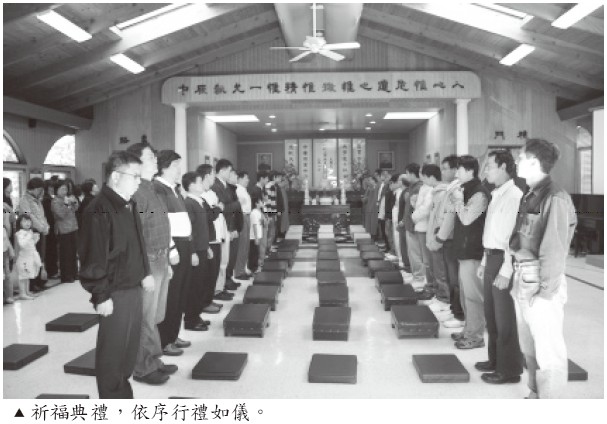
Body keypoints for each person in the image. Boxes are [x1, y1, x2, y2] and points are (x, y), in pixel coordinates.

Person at [78, 150, 151, 399]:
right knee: (112, 354)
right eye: (135, 176)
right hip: (114, 292)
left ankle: (123, 397)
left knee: (128, 352)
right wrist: (101, 295)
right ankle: (112, 402)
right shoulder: (98, 209)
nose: (139, 182)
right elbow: (93, 256)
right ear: (116, 176)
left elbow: (137, 244)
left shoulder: (129, 204)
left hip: (133, 288)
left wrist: (145, 272)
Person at [510, 139, 577, 398]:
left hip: (542, 281)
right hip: (524, 276)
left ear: (534, 162)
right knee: (529, 345)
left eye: (520, 157)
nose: (517, 161)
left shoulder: (555, 197)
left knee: (549, 352)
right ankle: (534, 393)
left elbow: (554, 249)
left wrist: (546, 292)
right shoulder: (531, 193)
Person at [126, 142, 176, 386]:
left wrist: (167, 260)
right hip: (148, 260)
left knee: (155, 316)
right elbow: (134, 236)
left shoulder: (152, 188)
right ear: (136, 163)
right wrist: (144, 269)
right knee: (146, 318)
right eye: (150, 158)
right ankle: (143, 368)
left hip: (160, 258)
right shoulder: (136, 192)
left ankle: (154, 360)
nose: (156, 160)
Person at [474, 149, 524, 385]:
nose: (486, 171)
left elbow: (513, 238)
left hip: (504, 260)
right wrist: (485, 261)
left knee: (504, 318)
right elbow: (491, 233)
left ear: (504, 167)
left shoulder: (514, 196)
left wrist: (506, 269)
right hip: (491, 257)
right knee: (491, 314)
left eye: (490, 166)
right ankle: (495, 360)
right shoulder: (497, 194)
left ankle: (509, 370)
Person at [154, 150, 193, 357]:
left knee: (181, 294)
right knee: (170, 296)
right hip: (173, 246)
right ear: (165, 167)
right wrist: (172, 249)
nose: (180, 170)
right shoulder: (158, 188)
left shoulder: (174, 189)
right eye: (176, 166)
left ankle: (174, 334)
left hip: (184, 244)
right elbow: (162, 222)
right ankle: (165, 340)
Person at [451, 155, 490, 350]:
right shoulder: (466, 189)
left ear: (469, 171)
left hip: (473, 251)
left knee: (474, 296)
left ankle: (476, 336)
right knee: (465, 294)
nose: (456, 173)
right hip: (464, 249)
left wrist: (458, 201)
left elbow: (467, 219)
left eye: (459, 169)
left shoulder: (479, 193)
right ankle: (468, 329)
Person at [183, 171, 218, 330]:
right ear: (190, 186)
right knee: (194, 286)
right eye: (198, 182)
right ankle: (191, 320)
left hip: (203, 248)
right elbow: (189, 230)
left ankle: (197, 316)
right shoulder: (189, 203)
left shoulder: (199, 202)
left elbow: (203, 229)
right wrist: (192, 252)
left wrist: (207, 246)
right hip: (195, 251)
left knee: (201, 284)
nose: (202, 184)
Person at [434, 155, 465, 329]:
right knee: (449, 276)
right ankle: (453, 309)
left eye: (446, 169)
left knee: (455, 279)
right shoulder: (450, 187)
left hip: (452, 238)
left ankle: (459, 314)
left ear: (455, 170)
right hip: (446, 237)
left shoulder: (458, 189)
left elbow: (451, 215)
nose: (443, 172)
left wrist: (441, 236)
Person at [423, 164, 453, 321]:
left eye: (424, 176)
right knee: (435, 269)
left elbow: (442, 219)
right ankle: (438, 295)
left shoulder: (443, 192)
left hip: (439, 237)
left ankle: (444, 300)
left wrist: (437, 237)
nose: (423, 180)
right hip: (433, 235)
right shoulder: (436, 192)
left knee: (441, 271)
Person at [211, 160, 242, 294]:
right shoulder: (215, 186)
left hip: (228, 225)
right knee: (221, 261)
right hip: (221, 227)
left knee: (226, 259)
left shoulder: (226, 186)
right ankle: (219, 287)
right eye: (229, 171)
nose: (231, 174)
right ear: (222, 171)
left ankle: (223, 284)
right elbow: (222, 208)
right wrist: (238, 204)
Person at [197, 164, 225, 305]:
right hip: (208, 239)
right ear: (207, 175)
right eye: (213, 174)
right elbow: (208, 216)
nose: (214, 177)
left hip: (217, 237)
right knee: (208, 273)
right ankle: (205, 302)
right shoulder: (201, 195)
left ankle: (210, 299)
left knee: (214, 271)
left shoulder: (212, 193)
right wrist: (218, 208)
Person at [17, 177, 49, 292]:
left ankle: (40, 281)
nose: (41, 192)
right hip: (31, 232)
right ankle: (32, 284)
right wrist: (41, 227)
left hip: (40, 231)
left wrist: (46, 226)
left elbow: (42, 215)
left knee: (40, 257)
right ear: (34, 188)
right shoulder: (24, 200)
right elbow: (29, 216)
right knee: (31, 258)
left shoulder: (37, 200)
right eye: (39, 189)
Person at [51, 180, 79, 284]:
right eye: (62, 189)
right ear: (56, 190)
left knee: (73, 252)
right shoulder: (55, 201)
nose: (64, 191)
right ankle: (66, 276)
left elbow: (76, 209)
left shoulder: (67, 198)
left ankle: (74, 273)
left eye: (66, 189)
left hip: (73, 227)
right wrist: (66, 204)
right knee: (66, 254)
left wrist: (74, 202)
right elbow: (61, 215)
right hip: (63, 230)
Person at [402, 164, 424, 289]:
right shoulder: (412, 187)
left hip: (414, 225)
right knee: (411, 252)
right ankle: (415, 275)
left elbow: (416, 208)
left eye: (407, 173)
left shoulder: (419, 187)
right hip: (409, 223)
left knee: (416, 253)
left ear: (411, 173)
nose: (406, 176)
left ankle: (419, 277)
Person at [14, 214, 42, 300]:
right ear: (20, 223)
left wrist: (36, 238)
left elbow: (31, 244)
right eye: (24, 221)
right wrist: (29, 236)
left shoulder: (29, 232)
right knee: (23, 276)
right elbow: (22, 244)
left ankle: (27, 291)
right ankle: (22, 293)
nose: (27, 223)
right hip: (23, 258)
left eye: (29, 221)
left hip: (30, 257)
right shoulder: (19, 233)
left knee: (28, 275)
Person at [225, 169, 243, 287]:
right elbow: (228, 211)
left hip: (236, 226)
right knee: (229, 256)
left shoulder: (232, 189)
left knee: (233, 255)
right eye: (234, 175)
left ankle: (229, 278)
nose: (236, 177)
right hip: (231, 228)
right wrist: (232, 229)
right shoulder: (226, 189)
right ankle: (227, 280)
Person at [233, 171, 252, 280]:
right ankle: (239, 272)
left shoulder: (243, 189)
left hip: (247, 216)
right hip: (242, 217)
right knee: (242, 245)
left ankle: (243, 269)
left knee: (246, 245)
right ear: (239, 179)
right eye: (246, 178)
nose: (247, 180)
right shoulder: (237, 189)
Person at [249, 171, 269, 270]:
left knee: (263, 241)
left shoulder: (262, 189)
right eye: (266, 178)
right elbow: (257, 206)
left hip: (262, 215)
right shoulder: (255, 190)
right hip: (259, 217)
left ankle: (261, 259)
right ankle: (259, 261)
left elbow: (263, 204)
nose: (267, 180)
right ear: (261, 178)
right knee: (261, 242)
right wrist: (263, 216)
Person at [42, 180, 59, 280]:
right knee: (50, 250)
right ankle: (52, 271)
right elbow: (49, 216)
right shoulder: (47, 200)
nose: (52, 189)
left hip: (50, 226)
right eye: (50, 187)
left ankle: (52, 270)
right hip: (49, 227)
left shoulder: (49, 199)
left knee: (51, 249)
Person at [3, 178, 16, 304]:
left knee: (7, 265)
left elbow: (12, 216)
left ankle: (8, 293)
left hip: (9, 231)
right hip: (5, 234)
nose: (11, 187)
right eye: (10, 185)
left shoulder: (9, 200)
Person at [384, 174, 398, 261]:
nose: (390, 186)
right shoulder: (389, 193)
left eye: (391, 183)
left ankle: (394, 251)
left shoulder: (397, 193)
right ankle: (391, 250)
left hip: (393, 217)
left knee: (393, 235)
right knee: (389, 234)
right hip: (389, 216)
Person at [249, 194, 264, 273]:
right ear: (256, 203)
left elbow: (260, 223)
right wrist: (256, 238)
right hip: (254, 237)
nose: (262, 202)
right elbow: (254, 226)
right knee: (254, 254)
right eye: (260, 201)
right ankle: (253, 268)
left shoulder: (258, 212)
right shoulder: (254, 213)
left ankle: (255, 267)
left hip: (258, 236)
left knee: (256, 253)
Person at [375, 169, 390, 250]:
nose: (383, 177)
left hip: (384, 208)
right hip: (380, 207)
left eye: (386, 176)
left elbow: (384, 197)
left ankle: (388, 246)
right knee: (382, 226)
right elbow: (379, 196)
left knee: (386, 229)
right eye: (383, 176)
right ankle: (386, 244)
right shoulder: (382, 184)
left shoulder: (387, 185)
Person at [275, 172, 290, 241]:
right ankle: (281, 232)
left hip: (283, 200)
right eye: (279, 177)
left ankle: (283, 230)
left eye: (280, 177)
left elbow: (285, 185)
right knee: (281, 216)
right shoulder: (276, 185)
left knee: (284, 214)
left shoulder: (283, 183)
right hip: (280, 201)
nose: (280, 178)